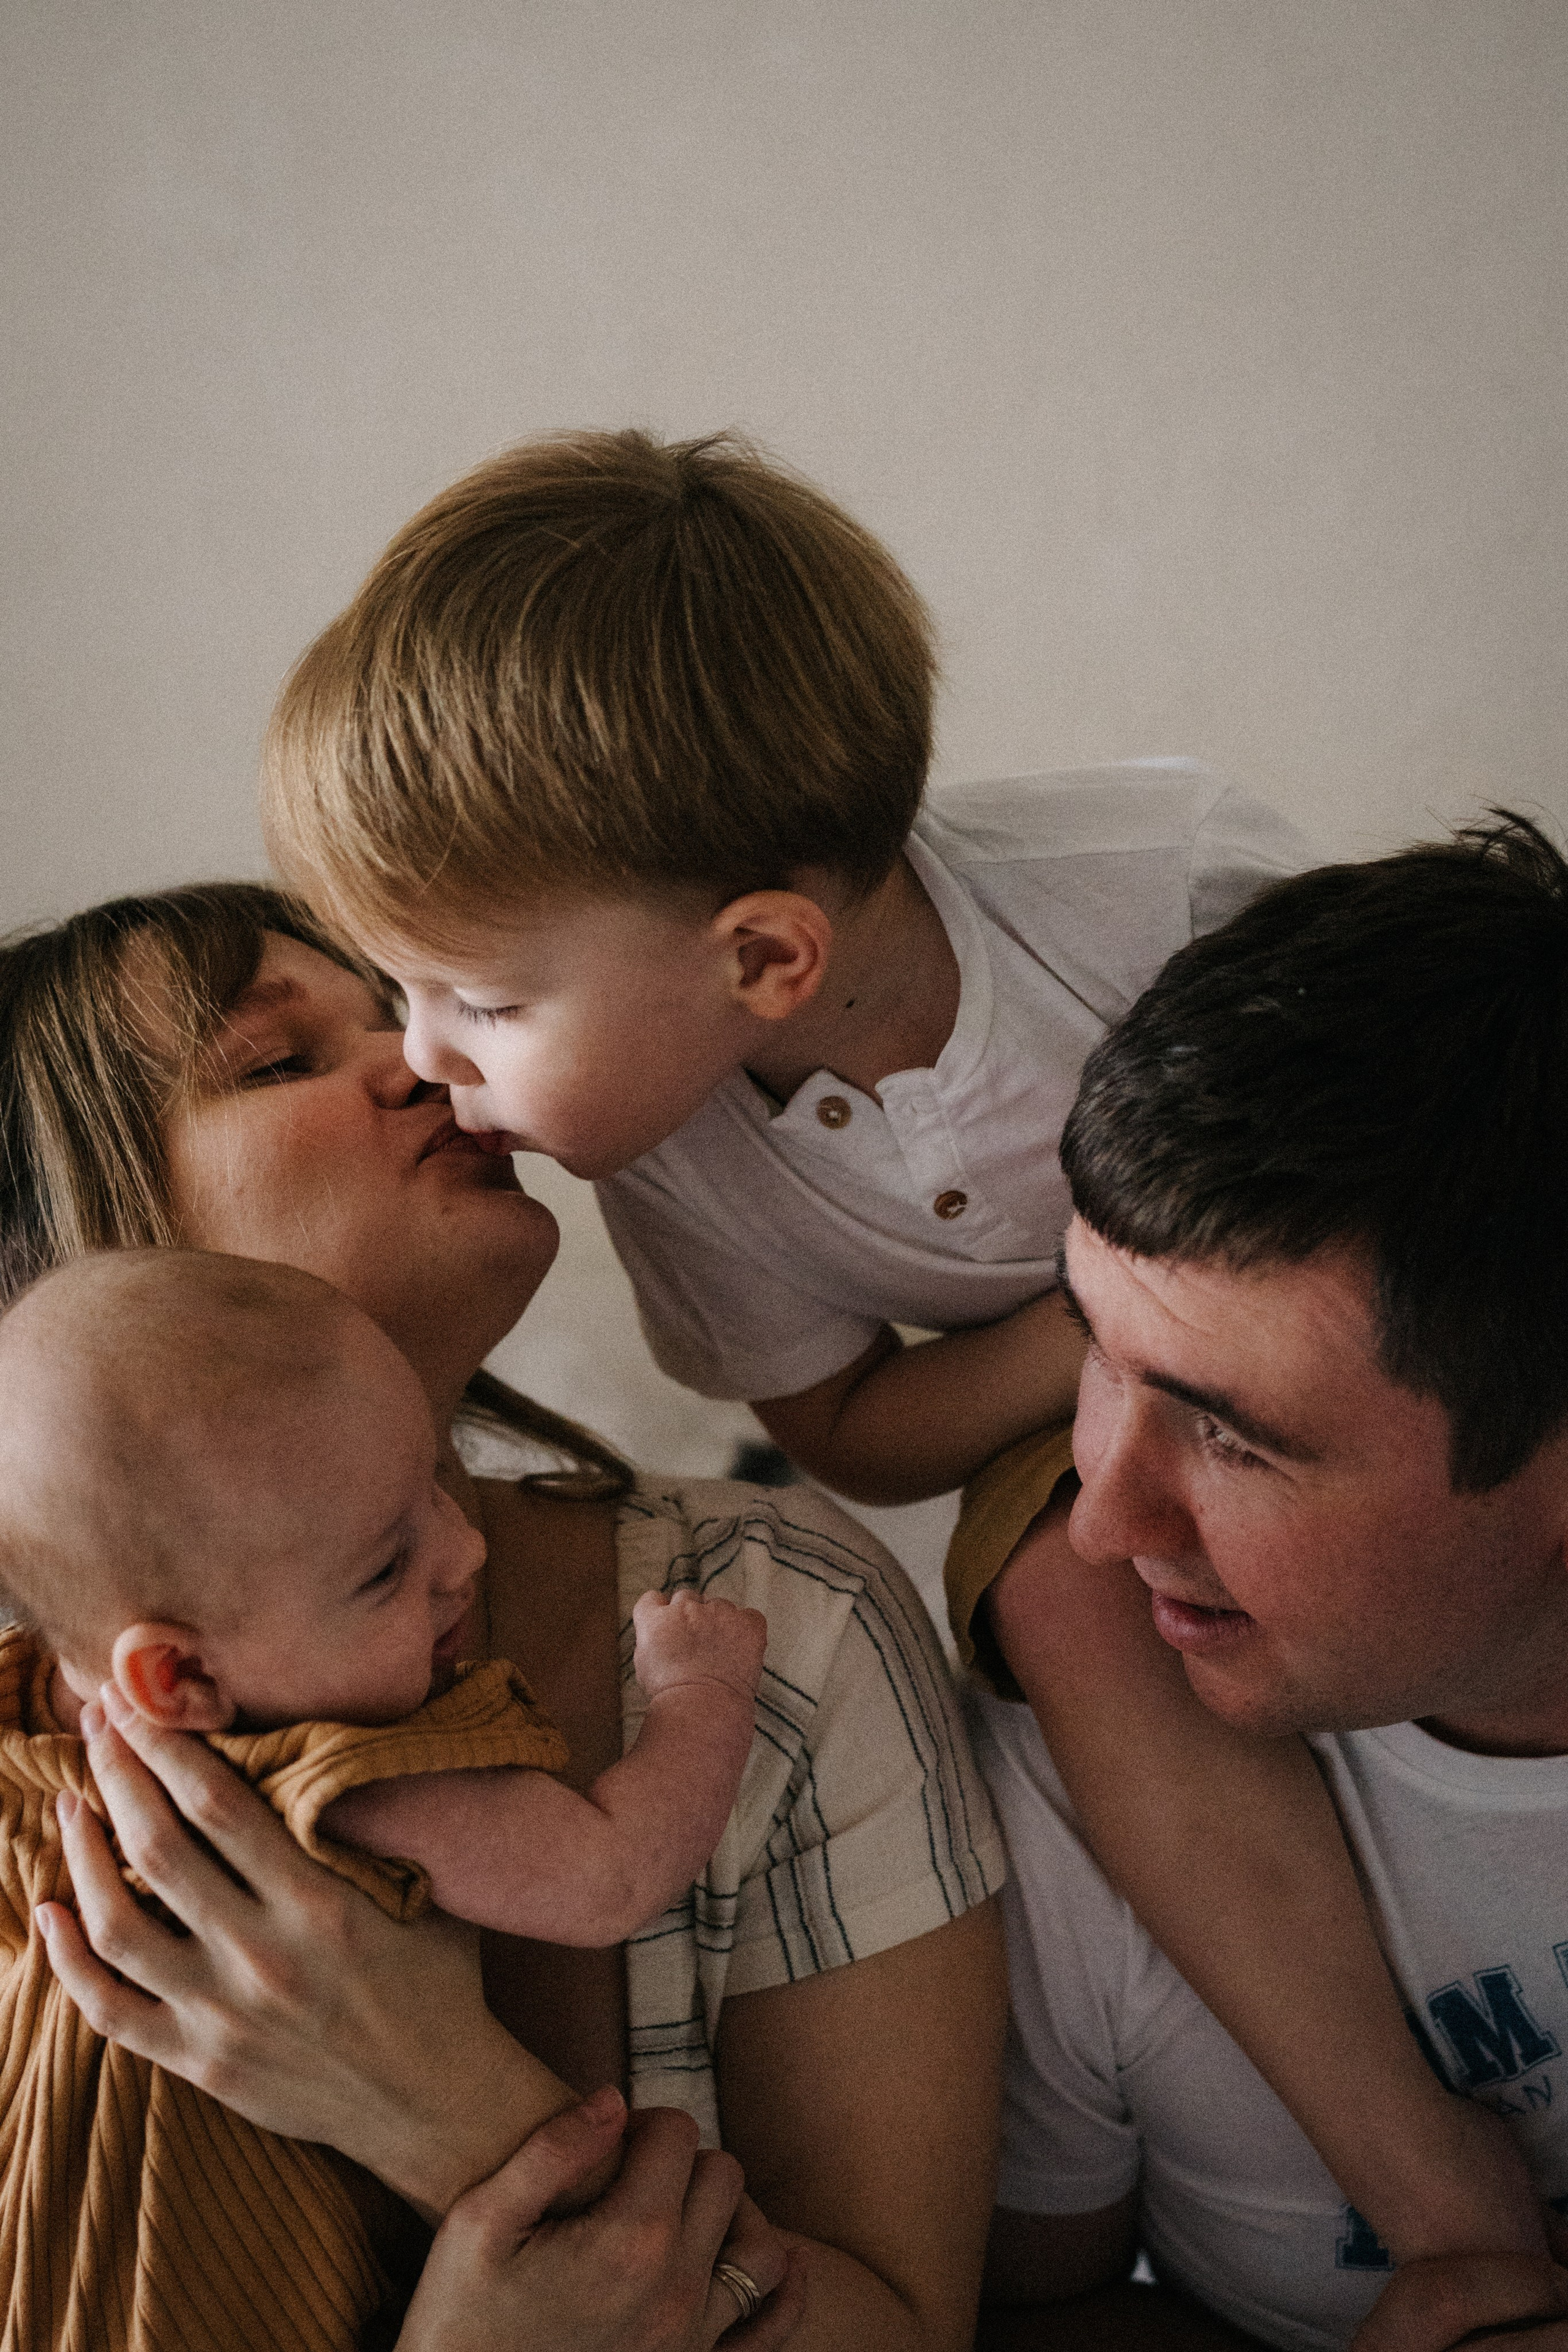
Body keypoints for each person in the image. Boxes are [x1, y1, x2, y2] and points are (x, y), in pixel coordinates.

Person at [257, 422, 1525, 2264]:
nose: (425, 1058)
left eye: (483, 999)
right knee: (1062, 1590)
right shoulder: (670, 1152)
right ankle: (1428, 2184)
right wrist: (1095, 1319)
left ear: (764, 957)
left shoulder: (1151, 889)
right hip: (1074, 1400)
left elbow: (1403, 1142)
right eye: (403, 991)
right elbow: (849, 1422)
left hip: (1365, 1320)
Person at [2, 880, 1007, 2352]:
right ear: (84, 1259)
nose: (424, 1057)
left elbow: (908, 2334)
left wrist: (433, 2098)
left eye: (394, 1007)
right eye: (279, 1062)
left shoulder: (771, 1612)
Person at [973, 810, 1568, 2350]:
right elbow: (1033, 2319)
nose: (1100, 1522)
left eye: (1234, 1444)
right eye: (1093, 1357)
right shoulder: (1064, 1795)